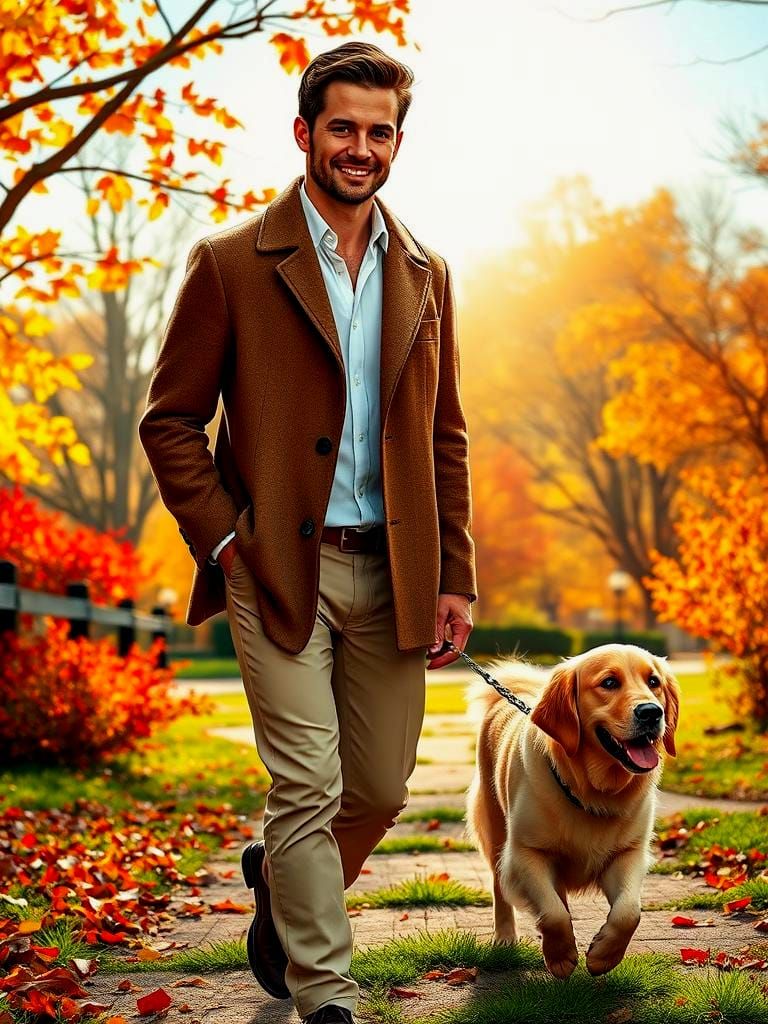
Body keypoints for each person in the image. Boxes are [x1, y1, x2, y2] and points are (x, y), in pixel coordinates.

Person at [139, 41, 476, 1024]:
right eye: (343, 128)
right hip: (278, 565)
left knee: (377, 787)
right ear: (304, 133)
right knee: (307, 783)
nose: (361, 148)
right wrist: (226, 541)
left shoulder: (429, 273)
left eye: (380, 131)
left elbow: (445, 434)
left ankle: (282, 888)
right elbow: (171, 420)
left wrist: (455, 575)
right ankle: (327, 994)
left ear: (398, 142)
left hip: (396, 569)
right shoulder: (230, 264)